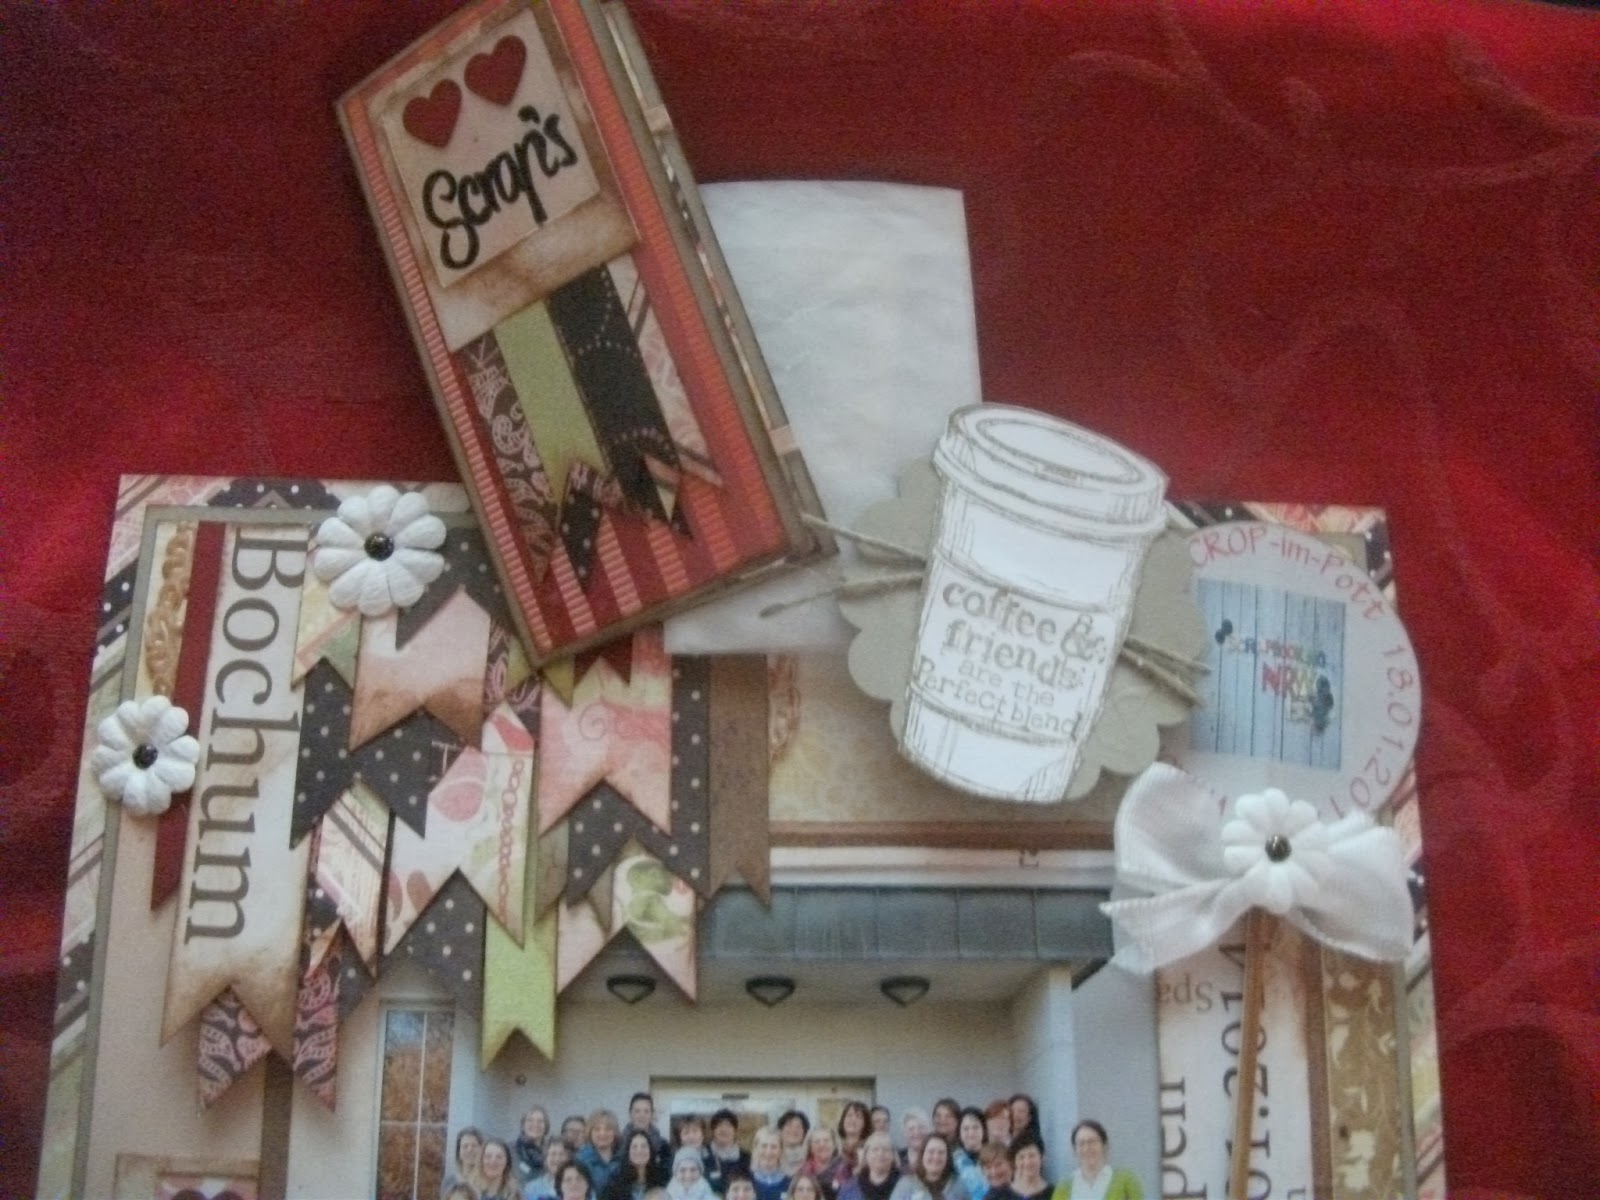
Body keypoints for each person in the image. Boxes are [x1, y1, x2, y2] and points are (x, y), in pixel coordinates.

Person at [1048, 1121, 1142, 1200]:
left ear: (1104, 1146)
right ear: (1074, 1150)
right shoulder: (1064, 1187)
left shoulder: (1126, 1180)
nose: (1086, 1148)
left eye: (1092, 1142)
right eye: (1081, 1143)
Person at [888, 1133, 968, 1200]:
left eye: (941, 1152)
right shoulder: (906, 1185)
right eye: (931, 1151)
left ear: (947, 1158)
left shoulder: (958, 1186)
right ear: (922, 1155)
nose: (936, 1157)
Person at [605, 1129, 669, 1200]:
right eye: (634, 1147)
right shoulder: (615, 1184)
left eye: (644, 1146)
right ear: (628, 1152)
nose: (639, 1151)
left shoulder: (662, 1179)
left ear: (650, 1151)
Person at [838, 1132, 899, 1200]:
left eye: (886, 1149)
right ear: (866, 1155)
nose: (880, 1153)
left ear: (893, 1155)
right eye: (875, 1149)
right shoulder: (849, 1189)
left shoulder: (904, 1186)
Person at [626, 1092, 674, 1178]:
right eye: (637, 1111)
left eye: (646, 1111)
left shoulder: (664, 1147)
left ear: (652, 1114)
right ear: (630, 1114)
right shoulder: (619, 1144)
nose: (642, 1115)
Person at [705, 1108, 750, 1196]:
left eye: (729, 1125)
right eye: (719, 1125)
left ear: (735, 1130)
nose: (724, 1129)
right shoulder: (703, 1154)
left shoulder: (746, 1157)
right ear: (713, 1130)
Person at [580, 1110, 625, 1197]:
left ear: (615, 1132)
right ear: (590, 1132)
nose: (602, 1133)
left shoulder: (624, 1158)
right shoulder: (581, 1160)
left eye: (608, 1129)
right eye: (597, 1129)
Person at [802, 1124, 849, 1199]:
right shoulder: (802, 1173)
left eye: (826, 1140)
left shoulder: (847, 1169)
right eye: (817, 1142)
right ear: (810, 1147)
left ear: (834, 1144)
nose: (822, 1145)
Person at [443, 1126, 488, 1198]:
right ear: (459, 1152)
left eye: (474, 1146)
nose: (469, 1150)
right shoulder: (449, 1182)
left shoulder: (490, 1181)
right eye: (465, 1146)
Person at [951, 1109, 987, 1200]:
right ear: (959, 1132)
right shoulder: (952, 1160)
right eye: (966, 1129)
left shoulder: (993, 1156)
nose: (971, 1133)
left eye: (975, 1127)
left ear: (984, 1129)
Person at [749, 1126, 791, 1200]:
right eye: (764, 1146)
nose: (768, 1152)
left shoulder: (790, 1183)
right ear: (756, 1148)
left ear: (781, 1150)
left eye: (774, 1147)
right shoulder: (746, 1179)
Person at [516, 1106, 554, 1184]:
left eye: (540, 1121)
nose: (535, 1124)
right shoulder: (510, 1150)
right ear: (523, 1125)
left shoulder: (553, 1151)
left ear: (546, 1126)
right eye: (530, 1120)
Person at [1006, 1135, 1050, 1200]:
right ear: (1014, 1162)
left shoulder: (1055, 1193)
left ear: (1042, 1158)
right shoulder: (1002, 1195)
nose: (1027, 1162)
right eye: (1021, 1157)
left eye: (1032, 1155)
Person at [836, 1102, 871, 1174]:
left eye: (858, 1117)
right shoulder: (834, 1146)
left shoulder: (870, 1147)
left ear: (865, 1123)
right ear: (843, 1120)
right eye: (849, 1115)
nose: (853, 1120)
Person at [776, 1110, 811, 1176]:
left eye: (798, 1126)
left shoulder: (811, 1158)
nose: (794, 1130)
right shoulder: (772, 1156)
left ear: (804, 1133)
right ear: (780, 1130)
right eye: (789, 1125)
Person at [898, 1109, 929, 1174]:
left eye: (921, 1127)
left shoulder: (934, 1155)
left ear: (927, 1130)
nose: (916, 1132)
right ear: (904, 1133)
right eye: (911, 1129)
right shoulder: (897, 1157)